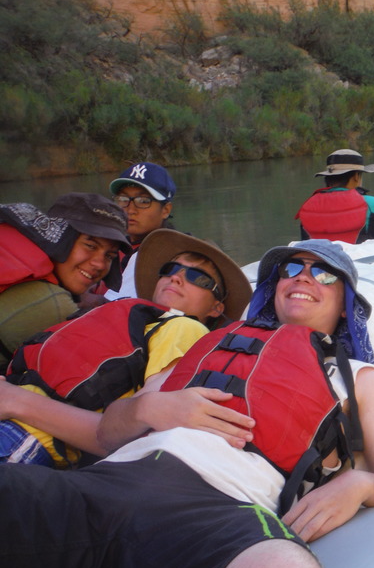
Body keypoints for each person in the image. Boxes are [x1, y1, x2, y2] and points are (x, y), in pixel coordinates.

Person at [0, 239, 374, 568]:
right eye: (291, 269)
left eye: (324, 275)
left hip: (217, 512)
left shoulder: (359, 377)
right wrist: (151, 407)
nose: (303, 277)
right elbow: (106, 435)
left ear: (346, 304)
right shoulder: (208, 349)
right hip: (107, 485)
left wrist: (359, 483)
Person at [1, 229, 251, 468]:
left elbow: (130, 432)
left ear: (216, 308)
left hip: (23, 437)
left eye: (199, 278)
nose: (177, 277)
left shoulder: (186, 328)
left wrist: (16, 400)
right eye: (171, 269)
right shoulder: (123, 314)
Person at [0, 194, 130, 369]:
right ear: (59, 237)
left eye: (109, 255)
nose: (99, 264)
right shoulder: (50, 305)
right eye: (90, 246)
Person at [104, 160, 179, 301]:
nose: (130, 210)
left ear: (166, 210)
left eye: (143, 201)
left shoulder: (169, 254)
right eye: (123, 199)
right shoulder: (113, 247)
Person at [296, 149, 374, 243]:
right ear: (356, 176)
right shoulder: (371, 204)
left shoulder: (309, 205)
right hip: (357, 259)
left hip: (323, 259)